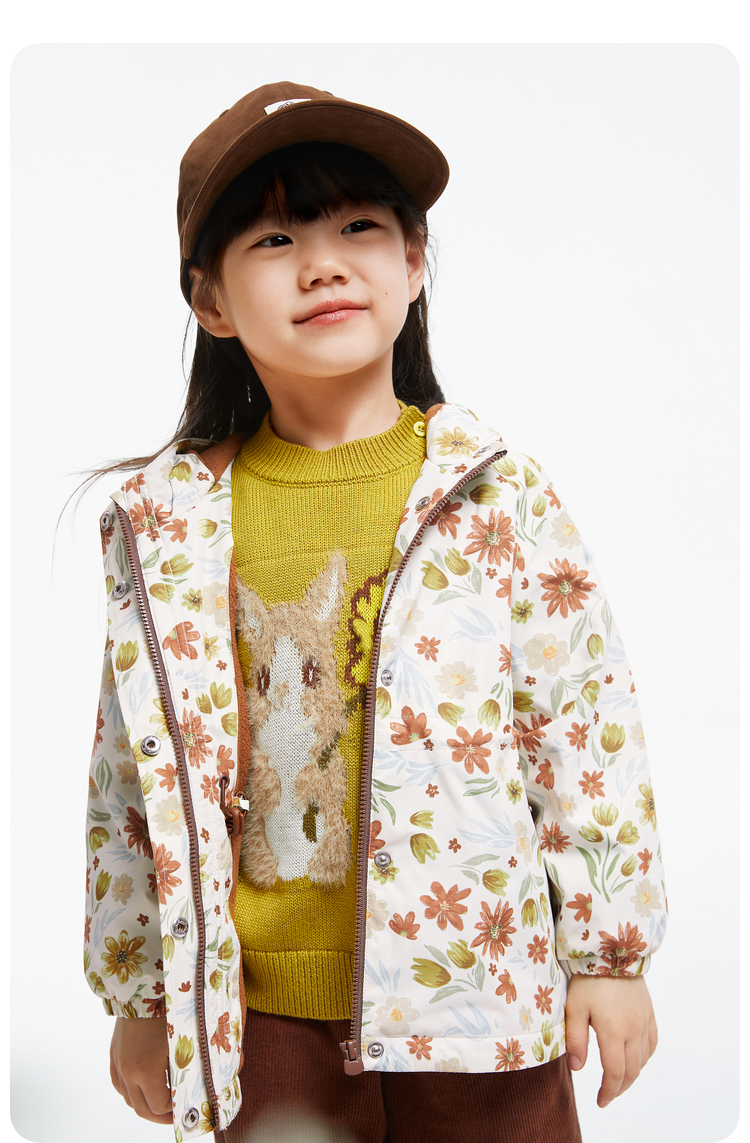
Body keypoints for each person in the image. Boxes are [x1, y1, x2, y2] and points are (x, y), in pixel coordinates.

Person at [83, 81, 667, 1143]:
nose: (323, 263)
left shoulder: (493, 494)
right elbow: (129, 772)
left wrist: (609, 953)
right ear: (211, 301)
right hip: (258, 1017)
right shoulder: (171, 523)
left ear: (414, 263)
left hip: (478, 988)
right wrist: (140, 993)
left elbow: (583, 723)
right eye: (275, 239)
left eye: (358, 226)